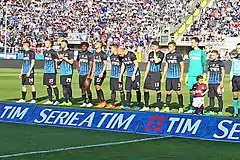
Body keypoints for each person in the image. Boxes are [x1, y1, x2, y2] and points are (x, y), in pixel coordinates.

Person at [140, 41, 164, 112]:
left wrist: (154, 52)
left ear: (157, 46)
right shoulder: (150, 54)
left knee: (157, 90)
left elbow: (157, 61)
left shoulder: (161, 54)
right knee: (145, 89)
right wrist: (145, 74)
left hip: (156, 74)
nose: (152, 48)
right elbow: (149, 64)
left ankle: (158, 106)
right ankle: (146, 105)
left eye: (153, 46)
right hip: (150, 74)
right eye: (151, 46)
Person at [161, 41, 184, 113]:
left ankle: (181, 107)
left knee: (178, 91)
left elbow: (182, 66)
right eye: (168, 46)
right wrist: (163, 76)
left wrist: (181, 76)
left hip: (176, 77)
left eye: (170, 46)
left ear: (174, 47)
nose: (169, 48)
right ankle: (167, 107)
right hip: (169, 77)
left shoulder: (178, 55)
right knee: (168, 92)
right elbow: (166, 66)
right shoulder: (167, 55)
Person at [185, 37, 207, 113]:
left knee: (200, 92)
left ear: (197, 43)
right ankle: (192, 108)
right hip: (191, 74)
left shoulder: (201, 52)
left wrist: (204, 73)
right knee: (191, 92)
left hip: (198, 75)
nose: (191, 44)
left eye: (193, 42)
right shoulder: (190, 53)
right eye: (191, 42)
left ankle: (201, 108)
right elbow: (190, 64)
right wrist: (187, 75)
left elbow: (204, 63)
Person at [119, 46, 141, 110]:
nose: (120, 55)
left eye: (120, 54)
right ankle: (128, 104)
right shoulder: (121, 57)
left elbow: (136, 64)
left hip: (135, 75)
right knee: (128, 90)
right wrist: (120, 75)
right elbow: (123, 65)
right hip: (128, 75)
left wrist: (134, 74)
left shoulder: (131, 55)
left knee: (137, 89)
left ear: (123, 51)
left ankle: (138, 104)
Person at [205, 50, 225, 116]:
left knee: (219, 97)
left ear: (217, 55)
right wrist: (207, 82)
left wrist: (221, 82)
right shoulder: (210, 63)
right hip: (211, 82)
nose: (212, 56)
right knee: (211, 97)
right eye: (211, 55)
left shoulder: (220, 63)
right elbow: (208, 73)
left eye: (213, 55)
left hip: (217, 83)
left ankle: (220, 110)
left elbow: (223, 73)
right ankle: (211, 110)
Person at [106, 44, 125, 109]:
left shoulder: (120, 56)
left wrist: (121, 75)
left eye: (111, 48)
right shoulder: (111, 56)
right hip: (112, 76)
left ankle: (122, 104)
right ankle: (112, 104)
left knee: (121, 90)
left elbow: (123, 65)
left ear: (115, 48)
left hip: (118, 76)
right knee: (113, 90)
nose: (110, 49)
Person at [42, 39, 60, 105]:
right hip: (46, 71)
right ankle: (50, 100)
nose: (45, 44)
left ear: (50, 44)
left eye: (47, 43)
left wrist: (56, 69)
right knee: (47, 85)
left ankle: (57, 100)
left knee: (53, 85)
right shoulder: (44, 52)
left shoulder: (53, 52)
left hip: (52, 71)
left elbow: (56, 61)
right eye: (45, 43)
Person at [76, 42, 93, 108]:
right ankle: (84, 101)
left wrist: (89, 74)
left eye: (85, 46)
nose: (83, 47)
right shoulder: (79, 53)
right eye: (82, 46)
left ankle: (90, 101)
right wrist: (78, 68)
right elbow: (77, 61)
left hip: (87, 74)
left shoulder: (90, 54)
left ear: (87, 47)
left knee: (87, 87)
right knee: (82, 88)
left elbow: (91, 65)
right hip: (81, 74)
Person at [92, 41, 108, 108]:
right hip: (96, 73)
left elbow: (105, 64)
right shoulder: (95, 54)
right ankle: (100, 102)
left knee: (98, 86)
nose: (95, 45)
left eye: (97, 44)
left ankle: (103, 101)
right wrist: (92, 72)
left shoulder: (103, 54)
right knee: (96, 87)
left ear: (100, 45)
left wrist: (102, 72)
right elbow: (94, 64)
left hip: (101, 73)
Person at [58, 40, 74, 106]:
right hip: (62, 72)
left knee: (68, 86)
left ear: (66, 44)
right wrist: (59, 60)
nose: (61, 45)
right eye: (61, 43)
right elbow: (58, 62)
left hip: (68, 72)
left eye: (62, 43)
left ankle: (70, 99)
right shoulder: (60, 52)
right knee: (63, 87)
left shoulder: (70, 52)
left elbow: (71, 62)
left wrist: (63, 58)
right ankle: (65, 100)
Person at [230, 43, 240, 117]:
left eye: (239, 48)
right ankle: (236, 112)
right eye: (237, 48)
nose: (238, 50)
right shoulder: (234, 58)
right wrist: (230, 79)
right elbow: (232, 69)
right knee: (235, 94)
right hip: (235, 78)